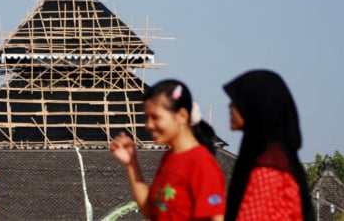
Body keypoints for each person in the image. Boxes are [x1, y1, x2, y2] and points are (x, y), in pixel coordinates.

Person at [110, 79, 226, 220]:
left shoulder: (201, 162)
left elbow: (216, 217)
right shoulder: (170, 158)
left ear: (182, 116)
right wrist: (131, 164)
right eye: (146, 118)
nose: (149, 125)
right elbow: (151, 211)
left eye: (155, 118)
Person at [223, 69, 315, 221]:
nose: (230, 107)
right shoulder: (267, 154)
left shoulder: (268, 166)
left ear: (256, 105)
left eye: (237, 101)